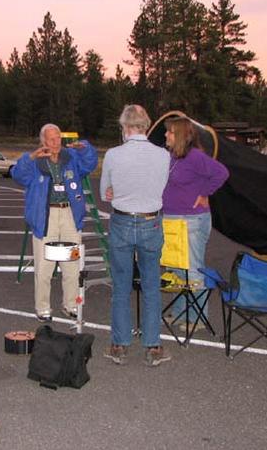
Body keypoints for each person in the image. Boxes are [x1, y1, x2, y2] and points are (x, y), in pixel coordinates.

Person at [100, 104, 171, 367]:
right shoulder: (163, 155)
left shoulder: (113, 155)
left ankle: (119, 345)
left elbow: (104, 192)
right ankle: (153, 345)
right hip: (151, 222)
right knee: (151, 285)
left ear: (125, 127)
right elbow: (161, 187)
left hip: (122, 221)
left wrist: (114, 191)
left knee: (121, 285)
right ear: (145, 125)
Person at [11, 124, 98, 321]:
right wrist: (31, 157)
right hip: (45, 217)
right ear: (43, 142)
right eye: (50, 139)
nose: (55, 142)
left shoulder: (71, 158)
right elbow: (17, 175)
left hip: (69, 215)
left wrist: (84, 146)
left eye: (57, 138)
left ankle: (71, 305)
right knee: (44, 267)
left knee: (72, 264)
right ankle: (42, 308)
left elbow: (90, 163)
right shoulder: (35, 163)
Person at [162, 116, 229, 332]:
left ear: (180, 135)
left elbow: (221, 173)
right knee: (178, 270)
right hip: (172, 220)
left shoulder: (194, 156)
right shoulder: (173, 157)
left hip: (191, 220)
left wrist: (204, 194)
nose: (166, 135)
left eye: (170, 132)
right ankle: (181, 312)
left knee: (192, 270)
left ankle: (198, 317)